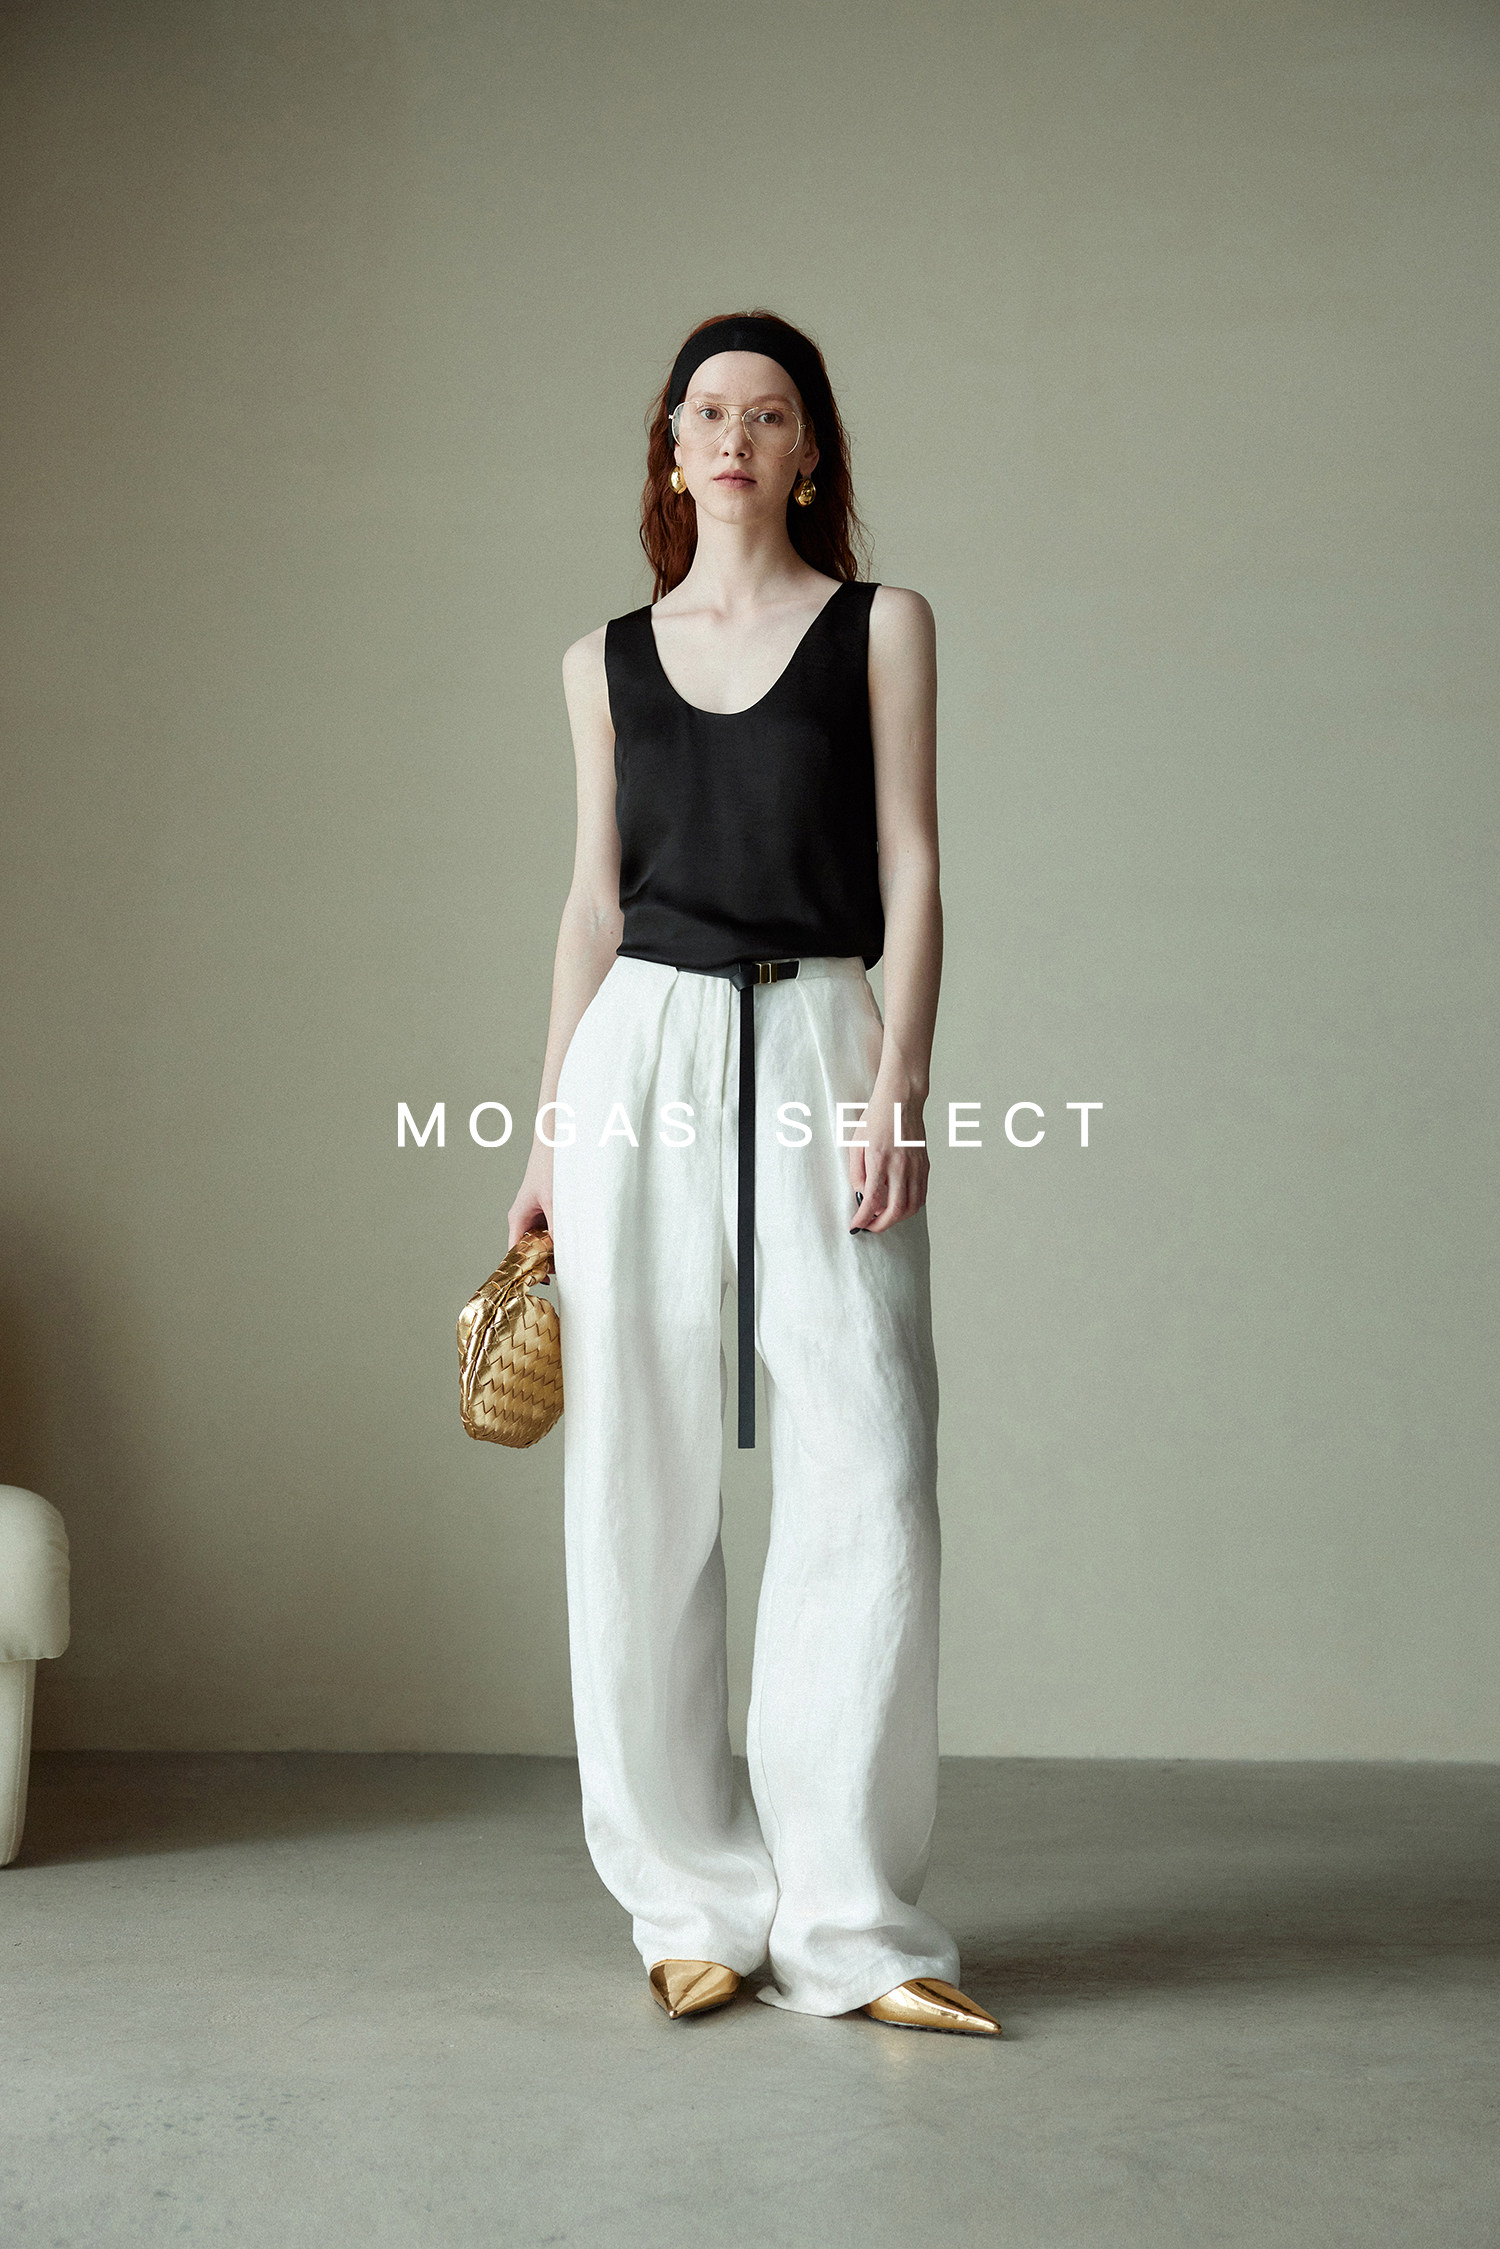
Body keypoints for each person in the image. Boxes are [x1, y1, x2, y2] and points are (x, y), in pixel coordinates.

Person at [506, 310, 998, 2038]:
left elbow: (915, 865)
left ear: (809, 451)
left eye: (769, 413)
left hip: (820, 1034)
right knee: (634, 1475)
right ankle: (689, 1900)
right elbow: (591, 905)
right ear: (671, 445)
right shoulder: (603, 662)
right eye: (707, 410)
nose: (734, 435)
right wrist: (546, 1132)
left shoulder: (882, 626)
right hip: (639, 1045)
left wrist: (901, 1078)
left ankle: (850, 1918)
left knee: (869, 1461)